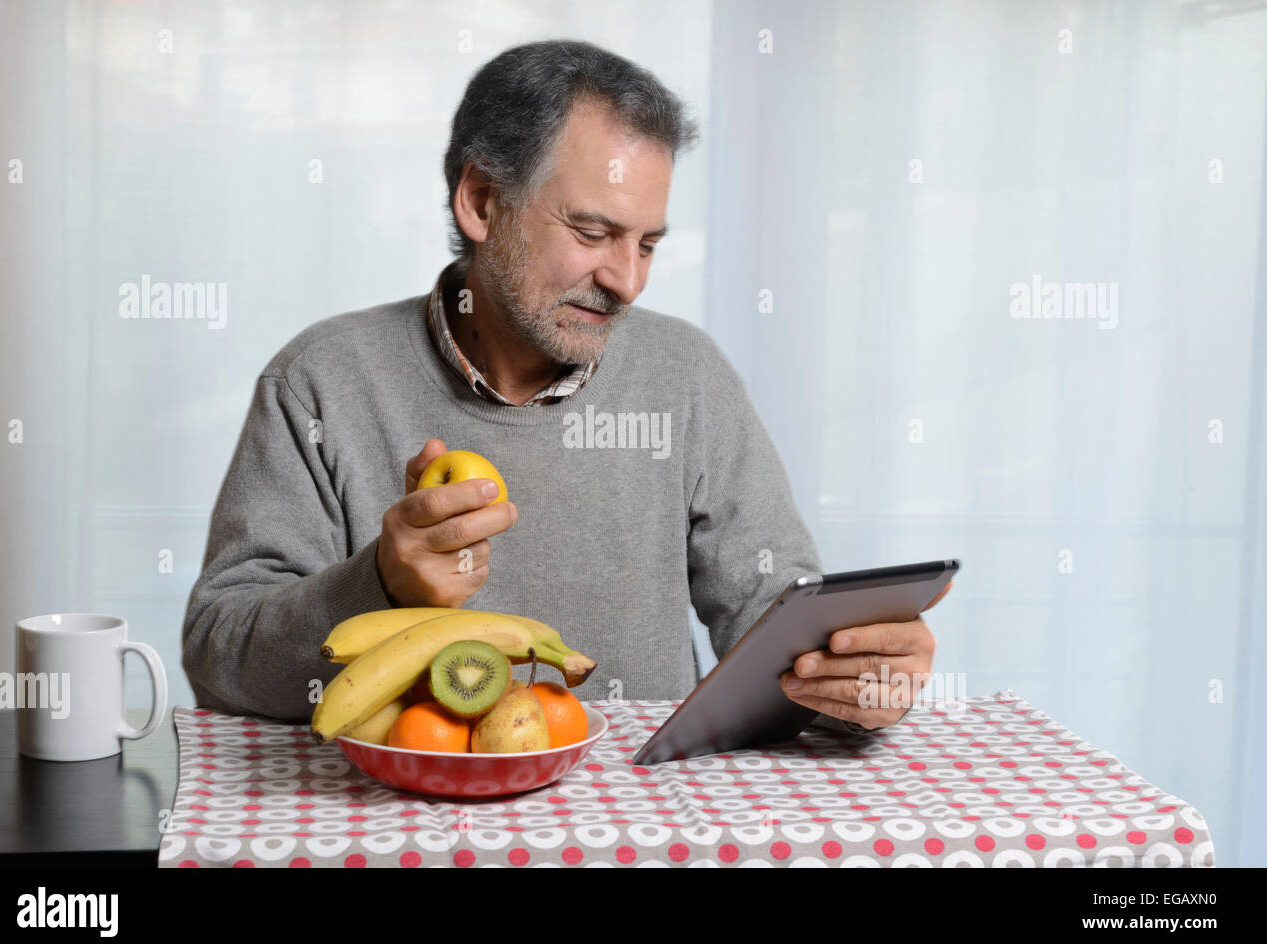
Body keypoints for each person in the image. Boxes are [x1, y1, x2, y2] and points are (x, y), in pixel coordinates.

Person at [182, 39, 949, 734]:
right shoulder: (321, 381)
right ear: (482, 201)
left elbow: (779, 630)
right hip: (398, 830)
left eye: (647, 243)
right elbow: (219, 655)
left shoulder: (689, 378)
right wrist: (377, 581)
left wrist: (857, 678)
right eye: (592, 234)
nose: (626, 280)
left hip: (645, 836)